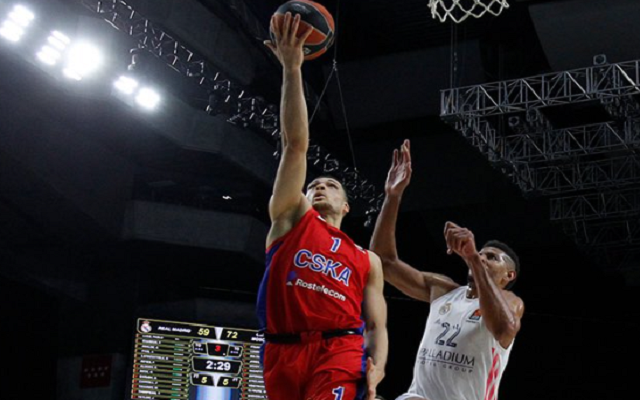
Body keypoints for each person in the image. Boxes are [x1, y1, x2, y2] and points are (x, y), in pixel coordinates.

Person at [256, 11, 388, 400]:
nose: (319, 187)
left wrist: (377, 366)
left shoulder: (366, 259)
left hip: (339, 348)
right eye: (313, 184)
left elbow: (377, 325)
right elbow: (295, 145)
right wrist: (292, 69)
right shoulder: (289, 219)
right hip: (281, 349)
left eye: (331, 185)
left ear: (345, 206)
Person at [370, 140, 524, 400]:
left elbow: (505, 328)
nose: (483, 258)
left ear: (509, 276)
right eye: (481, 253)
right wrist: (392, 197)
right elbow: (382, 262)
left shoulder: (510, 301)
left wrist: (473, 258)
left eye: (492, 258)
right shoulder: (443, 290)